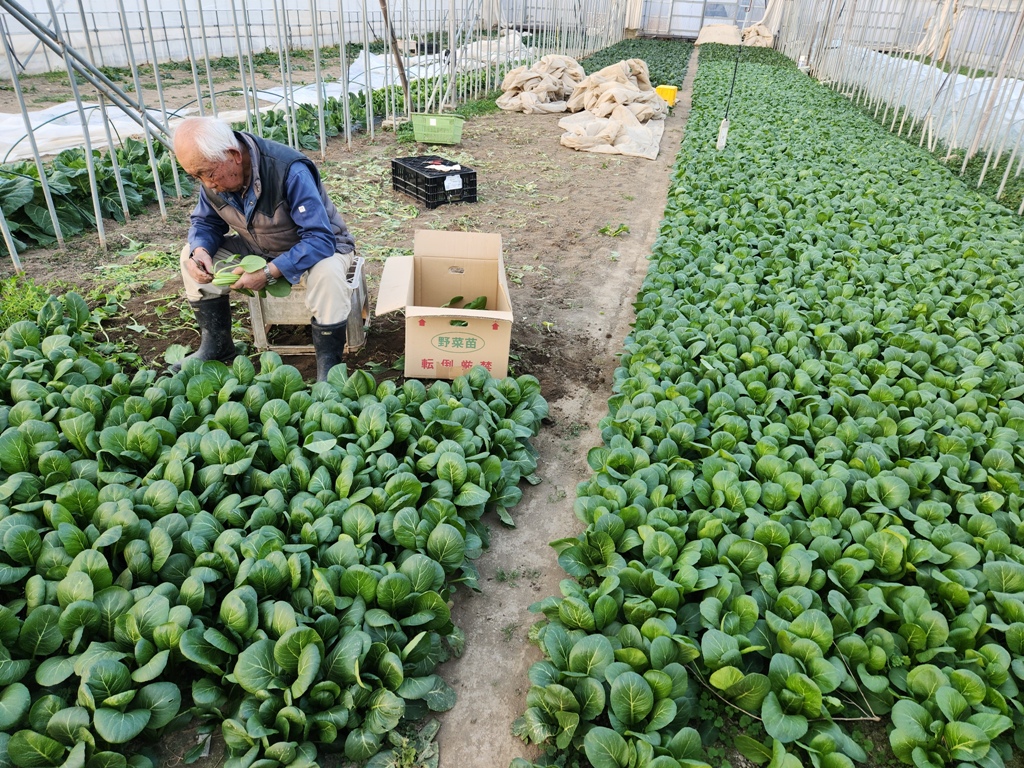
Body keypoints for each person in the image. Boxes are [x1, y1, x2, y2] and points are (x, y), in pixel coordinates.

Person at [173, 116, 356, 381]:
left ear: (234, 155)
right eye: (196, 176)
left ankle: (329, 368)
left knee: (327, 273)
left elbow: (319, 239)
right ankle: (217, 345)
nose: (207, 183)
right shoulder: (214, 177)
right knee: (188, 254)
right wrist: (199, 251)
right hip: (258, 247)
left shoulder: (288, 170)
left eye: (208, 173)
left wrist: (268, 273)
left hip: (323, 247)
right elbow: (205, 223)